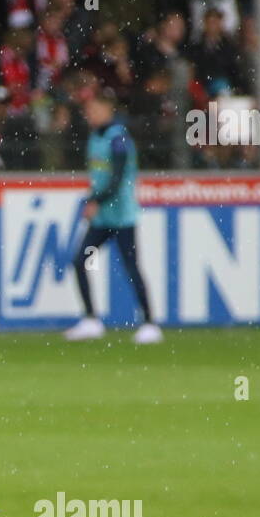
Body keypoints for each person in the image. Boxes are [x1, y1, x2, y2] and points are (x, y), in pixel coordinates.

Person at [64, 88, 161, 344]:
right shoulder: (95, 138)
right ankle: (91, 320)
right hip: (103, 218)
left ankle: (150, 323)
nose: (90, 114)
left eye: (95, 109)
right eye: (88, 110)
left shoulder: (118, 140)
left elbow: (117, 179)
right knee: (79, 261)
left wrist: (95, 200)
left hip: (122, 216)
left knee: (131, 267)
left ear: (109, 110)